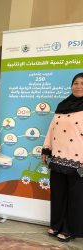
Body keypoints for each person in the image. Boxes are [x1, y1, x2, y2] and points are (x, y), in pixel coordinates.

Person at [42, 73, 83, 242]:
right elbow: (52, 128)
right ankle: (57, 224)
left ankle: (69, 229)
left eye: (82, 83)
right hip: (58, 158)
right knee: (58, 195)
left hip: (79, 161)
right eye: (75, 83)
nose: (79, 86)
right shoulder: (62, 105)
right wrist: (46, 149)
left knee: (76, 198)